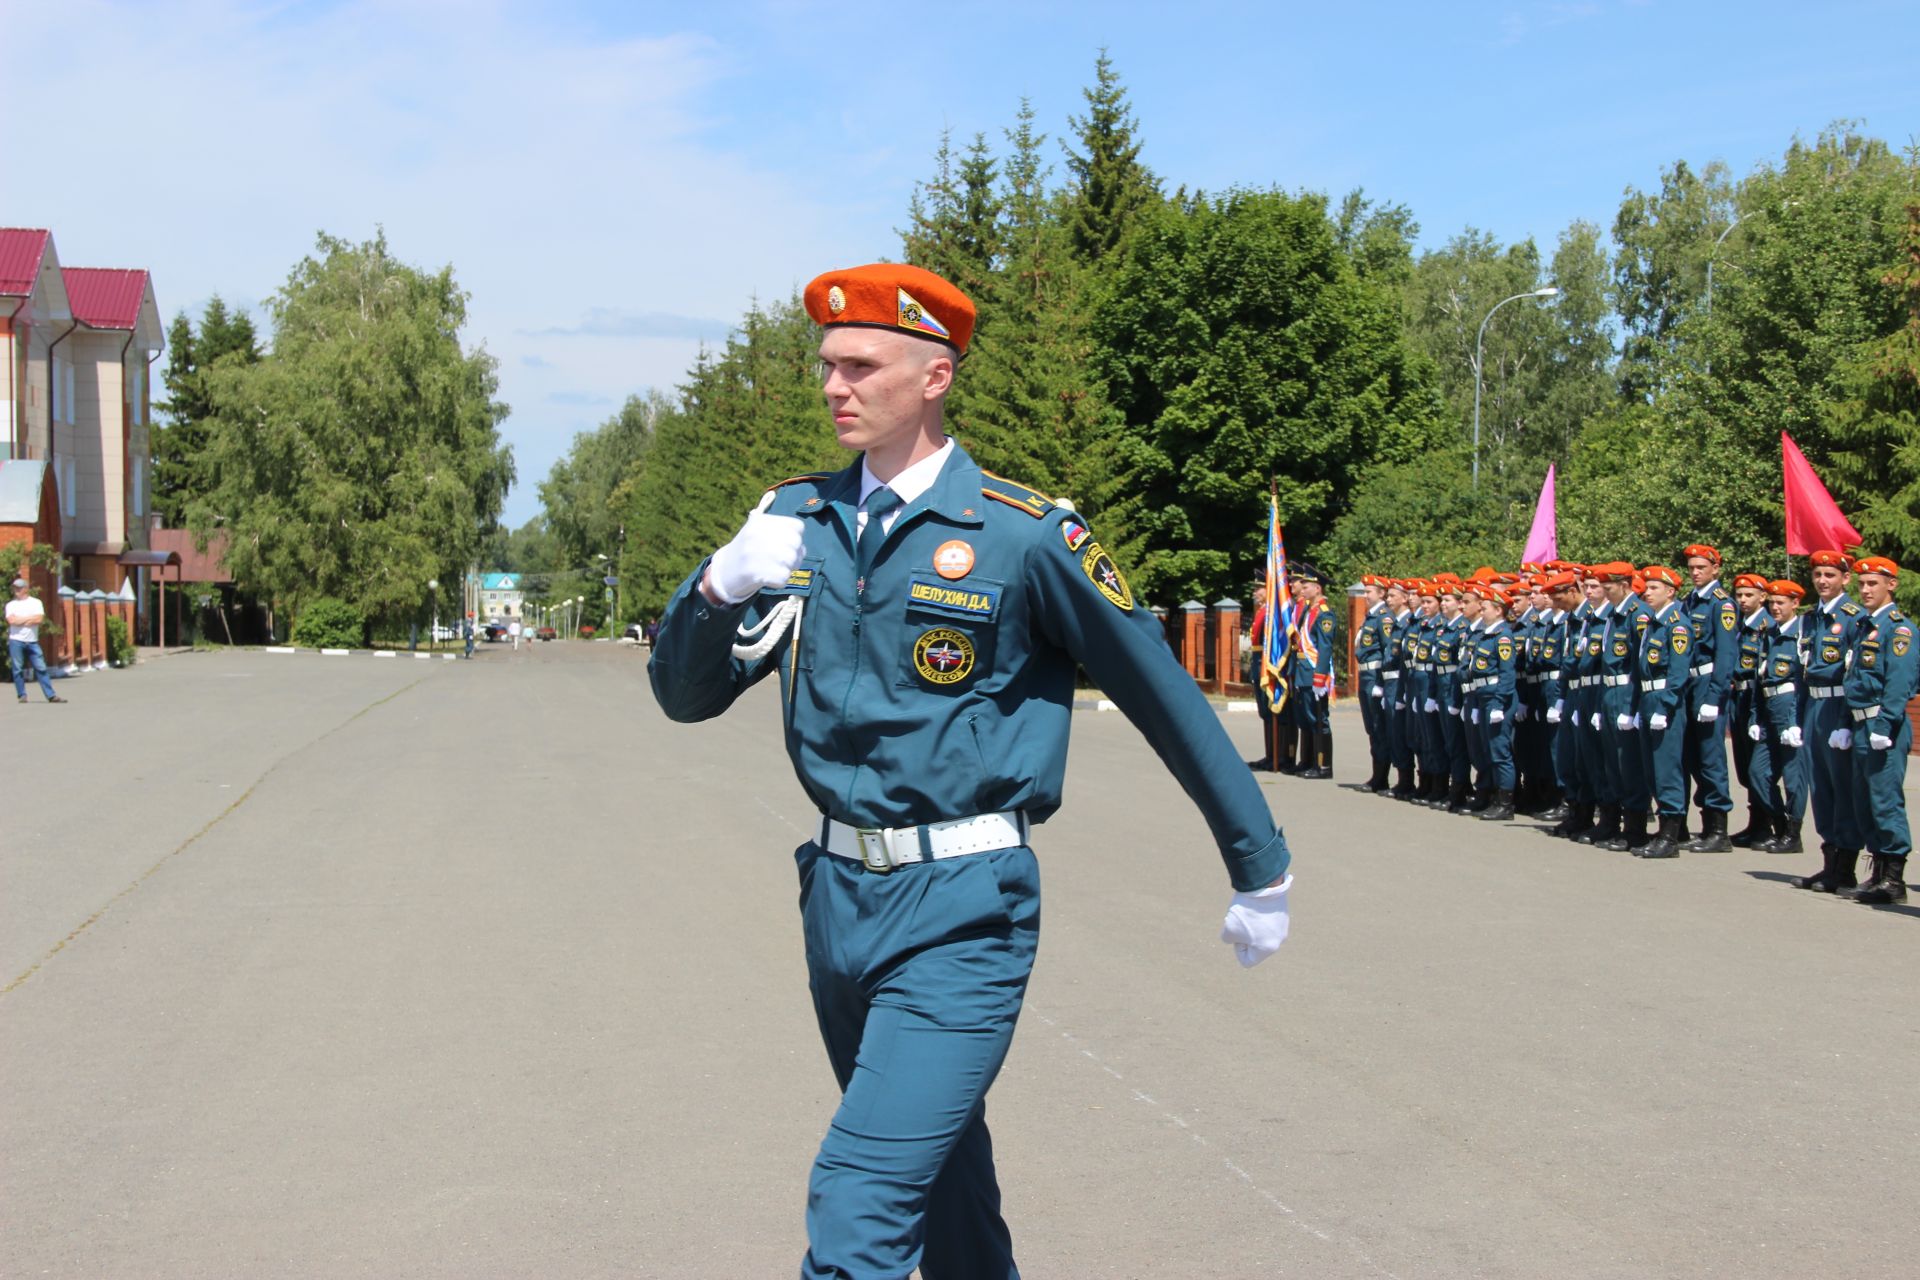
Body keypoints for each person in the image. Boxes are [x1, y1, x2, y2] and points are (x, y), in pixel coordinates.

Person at [647, 262, 1294, 1279]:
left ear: (936, 374)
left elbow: (1161, 692)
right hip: (838, 900)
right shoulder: (796, 519)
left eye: (862, 365)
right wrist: (719, 582)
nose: (834, 386)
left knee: (858, 1197)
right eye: (826, 365)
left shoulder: (1020, 532)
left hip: (962, 910)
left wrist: (1259, 861)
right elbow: (683, 696)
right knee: (947, 1195)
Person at [1793, 550, 1870, 894]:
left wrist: (1844, 720)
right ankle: (1829, 863)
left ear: (1845, 579)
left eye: (1830, 575)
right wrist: (1797, 718)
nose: (1822, 581)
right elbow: (1801, 669)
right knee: (1820, 789)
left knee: (1842, 789)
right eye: (1818, 575)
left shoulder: (1854, 618)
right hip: (1814, 706)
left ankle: (1846, 868)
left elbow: (1854, 673)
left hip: (1839, 707)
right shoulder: (1810, 619)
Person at [1841, 556, 1915, 905]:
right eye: (1863, 583)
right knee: (1864, 800)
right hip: (1860, 723)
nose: (1865, 589)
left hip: (1883, 725)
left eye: (1873, 583)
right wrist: (1846, 723)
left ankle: (1894, 879)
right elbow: (1854, 679)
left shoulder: (1899, 629)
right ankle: (1877, 871)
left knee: (1885, 801)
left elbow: (1898, 684)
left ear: (1891, 585)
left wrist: (1884, 724)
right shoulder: (1861, 626)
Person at [1633, 566, 1693, 858]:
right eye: (1646, 587)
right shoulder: (1653, 623)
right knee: (1651, 770)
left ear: (1670, 592)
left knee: (1667, 769)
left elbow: (1679, 671)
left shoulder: (1676, 624)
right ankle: (1664, 831)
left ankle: (1670, 836)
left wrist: (1666, 705)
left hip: (1663, 701)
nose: (1647, 592)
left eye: (1654, 588)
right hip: (1647, 697)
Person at [1755, 580, 1808, 854]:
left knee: (1794, 777)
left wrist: (1796, 721)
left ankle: (1793, 833)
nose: (1774, 608)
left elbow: (1804, 680)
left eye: (1781, 602)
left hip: (1790, 708)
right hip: (1769, 706)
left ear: (1795, 603)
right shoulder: (1769, 633)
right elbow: (1759, 678)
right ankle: (1779, 824)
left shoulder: (1802, 634)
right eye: (1772, 602)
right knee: (1758, 772)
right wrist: (1755, 718)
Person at [1726, 574, 1775, 846]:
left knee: (1759, 765)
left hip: (1756, 696)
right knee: (1744, 764)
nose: (1743, 600)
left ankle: (1767, 824)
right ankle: (1754, 822)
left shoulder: (1765, 625)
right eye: (1739, 595)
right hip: (1738, 696)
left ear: (1762, 597)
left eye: (1748, 595)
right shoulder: (1739, 623)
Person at [1289, 564, 1336, 779]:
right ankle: (1308, 761)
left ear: (1318, 589)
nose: (1303, 589)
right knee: (1307, 717)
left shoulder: (1324, 614)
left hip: (1314, 672)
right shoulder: (1309, 610)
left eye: (1307, 586)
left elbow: (1324, 648)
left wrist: (1320, 677)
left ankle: (1323, 765)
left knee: (1319, 718)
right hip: (1303, 671)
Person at [1354, 575, 1392, 791]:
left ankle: (1381, 777)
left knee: (1379, 727)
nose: (1365, 595)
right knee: (1372, 728)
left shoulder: (1383, 617)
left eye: (1369, 592)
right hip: (1365, 675)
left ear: (1381, 593)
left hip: (1375, 675)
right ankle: (1376, 775)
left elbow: (1387, 649)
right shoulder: (1370, 616)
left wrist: (1381, 681)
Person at [7, 578, 67, 704]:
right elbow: (12, 621)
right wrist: (29, 619)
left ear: (25, 589)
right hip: (16, 640)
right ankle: (22, 695)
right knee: (17, 669)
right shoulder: (11, 605)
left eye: (19, 588)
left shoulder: (35, 603)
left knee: (41, 668)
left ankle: (51, 695)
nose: (16, 590)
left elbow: (39, 619)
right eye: (15, 588)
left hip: (32, 641)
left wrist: (21, 620)